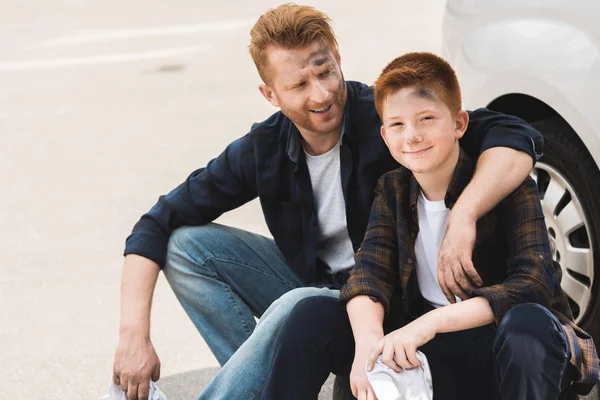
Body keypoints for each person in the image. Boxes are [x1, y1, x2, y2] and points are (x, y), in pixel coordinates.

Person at [111, 4, 545, 400]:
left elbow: (514, 135)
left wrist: (464, 214)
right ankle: (259, 381)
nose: (319, 94)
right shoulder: (263, 148)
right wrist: (133, 336)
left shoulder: (393, 120)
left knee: (296, 306)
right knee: (188, 246)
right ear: (270, 94)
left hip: (390, 301)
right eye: (298, 84)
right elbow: (155, 223)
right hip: (333, 294)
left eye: (324, 72)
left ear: (338, 59)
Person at [261, 52, 600, 400]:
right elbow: (368, 273)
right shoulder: (392, 189)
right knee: (310, 315)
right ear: (384, 134)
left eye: (426, 119)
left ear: (459, 124)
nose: (412, 136)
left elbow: (533, 285)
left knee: (529, 324)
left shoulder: (507, 186)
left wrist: (428, 324)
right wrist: (367, 343)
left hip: (502, 355)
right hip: (435, 360)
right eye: (397, 125)